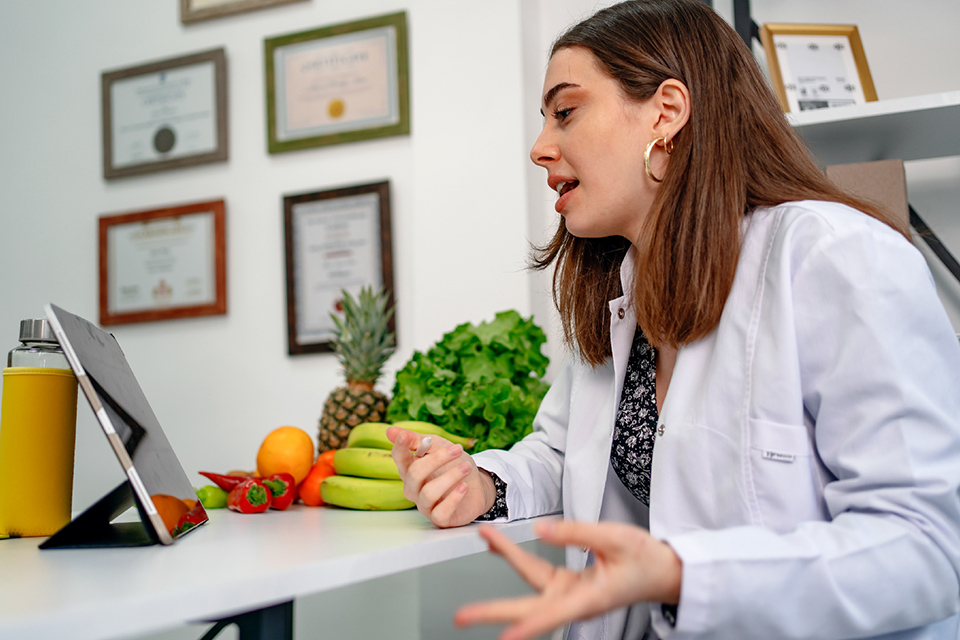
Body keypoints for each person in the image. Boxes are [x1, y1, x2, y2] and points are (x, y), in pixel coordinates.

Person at [387, 1, 960, 638]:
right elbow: (564, 450)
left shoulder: (835, 255)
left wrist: (686, 573)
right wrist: (484, 485)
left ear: (666, 112)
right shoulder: (621, 287)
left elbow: (926, 548)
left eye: (566, 112)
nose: (539, 148)